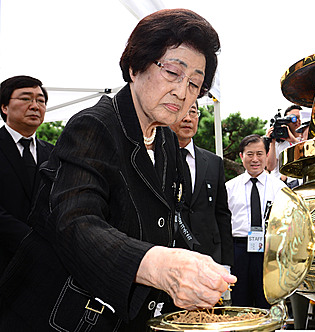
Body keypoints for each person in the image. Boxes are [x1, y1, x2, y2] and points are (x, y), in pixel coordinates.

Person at [0, 9, 236, 331]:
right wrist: (158, 264)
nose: (183, 92)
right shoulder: (93, 126)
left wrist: (200, 261)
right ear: (135, 66)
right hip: (67, 316)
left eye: (195, 84)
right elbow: (76, 223)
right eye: (172, 73)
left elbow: (171, 215)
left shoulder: (166, 139)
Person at [169, 100, 233, 268]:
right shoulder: (158, 157)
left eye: (193, 112)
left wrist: (225, 262)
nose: (188, 119)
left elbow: (222, 214)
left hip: (207, 255)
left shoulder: (213, 162)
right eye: (182, 112)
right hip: (168, 253)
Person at [0, 75, 54, 276]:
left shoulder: (54, 153)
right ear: (4, 107)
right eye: (25, 98)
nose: (35, 106)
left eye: (41, 100)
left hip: (45, 267)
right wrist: (31, 241)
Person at [225, 134, 286, 309]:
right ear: (241, 156)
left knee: (266, 303)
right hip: (239, 251)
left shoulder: (279, 188)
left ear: (267, 155)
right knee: (240, 304)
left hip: (269, 251)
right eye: (249, 154)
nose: (255, 159)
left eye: (259, 154)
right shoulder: (229, 188)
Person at [265, 104, 302, 185]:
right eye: (293, 118)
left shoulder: (305, 139)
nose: (297, 120)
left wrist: (294, 141)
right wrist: (272, 142)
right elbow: (270, 167)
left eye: (300, 117)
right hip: (281, 185)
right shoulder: (279, 142)